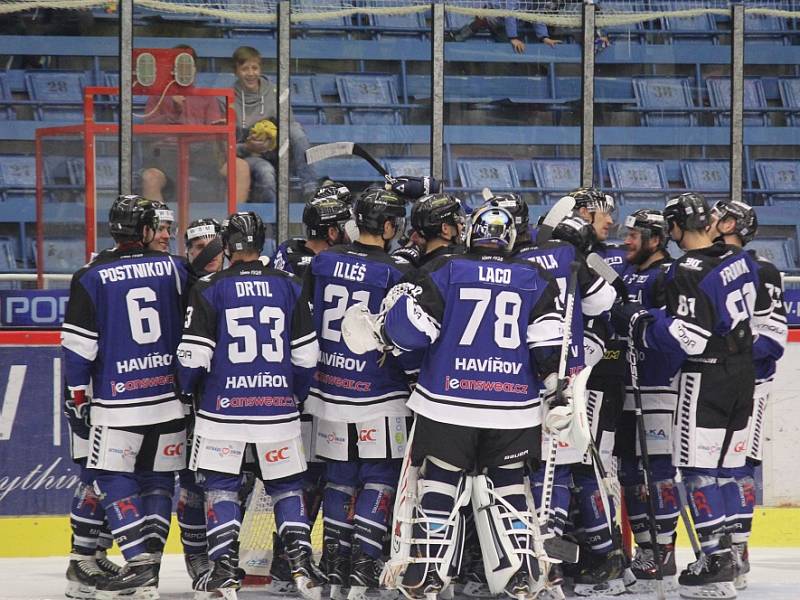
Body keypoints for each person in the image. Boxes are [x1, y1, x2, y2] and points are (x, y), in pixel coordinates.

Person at [348, 203, 567, 600]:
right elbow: (548, 345)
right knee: (509, 486)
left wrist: (383, 330)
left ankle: (429, 571)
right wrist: (557, 391)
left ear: (471, 234)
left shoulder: (446, 269)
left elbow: (413, 332)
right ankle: (519, 571)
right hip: (514, 409)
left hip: (447, 403)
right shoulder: (535, 277)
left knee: (442, 480)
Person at [611, 192, 768, 600]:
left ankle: (713, 565)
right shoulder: (743, 261)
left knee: (698, 471)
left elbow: (689, 337)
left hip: (706, 377)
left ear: (675, 228)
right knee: (728, 469)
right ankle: (730, 560)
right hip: (742, 374)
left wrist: (642, 322)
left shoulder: (687, 269)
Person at [176, 211, 322, 600]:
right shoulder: (289, 284)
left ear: (226, 245)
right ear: (263, 243)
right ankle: (302, 567)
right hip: (276, 410)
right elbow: (307, 356)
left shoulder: (208, 287)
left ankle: (223, 574)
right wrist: (295, 394)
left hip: (222, 412)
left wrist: (188, 392)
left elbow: (192, 357)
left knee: (222, 488)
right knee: (286, 486)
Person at [61, 195, 192, 599]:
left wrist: (77, 396)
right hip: (168, 399)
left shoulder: (91, 274)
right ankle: (136, 567)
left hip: (116, 402)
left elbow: (78, 348)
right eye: (163, 227)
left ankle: (124, 563)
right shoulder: (175, 270)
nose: (169, 235)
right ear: (146, 231)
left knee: (103, 476)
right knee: (156, 480)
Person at [300, 188, 416, 600]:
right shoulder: (396, 272)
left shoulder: (323, 261)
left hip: (327, 392)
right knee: (379, 478)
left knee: (339, 478)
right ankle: (364, 565)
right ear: (386, 226)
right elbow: (406, 338)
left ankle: (334, 563)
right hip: (380, 397)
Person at [508, 196, 617, 600]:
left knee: (532, 471)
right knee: (570, 469)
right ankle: (602, 558)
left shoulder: (516, 260)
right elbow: (606, 302)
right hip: (568, 381)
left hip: (519, 380)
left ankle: (540, 559)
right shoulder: (573, 260)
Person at [268, 185, 352, 594]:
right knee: (314, 476)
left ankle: (287, 564)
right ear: (333, 231)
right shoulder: (335, 263)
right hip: (327, 384)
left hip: (295, 383)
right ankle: (295, 563)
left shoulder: (287, 253)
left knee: (302, 477)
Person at [709, 200, 787, 591]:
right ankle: (719, 548)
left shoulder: (763, 271)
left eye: (720, 218)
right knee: (705, 468)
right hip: (709, 384)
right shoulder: (701, 264)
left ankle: (737, 547)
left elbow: (773, 339)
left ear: (737, 226)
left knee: (737, 466)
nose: (711, 221)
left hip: (751, 385)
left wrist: (730, 355)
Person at [613, 209, 682, 594]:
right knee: (629, 472)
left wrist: (640, 319)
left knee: (655, 470)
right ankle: (645, 549)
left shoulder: (668, 276)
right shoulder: (626, 274)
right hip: (625, 385)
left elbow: (675, 330)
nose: (627, 241)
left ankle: (664, 550)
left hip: (656, 385)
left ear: (655, 239)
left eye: (634, 235)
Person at [140, 45, 251, 204]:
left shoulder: (206, 96)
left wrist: (220, 126)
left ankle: (229, 225)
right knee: (150, 178)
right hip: (168, 155)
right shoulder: (158, 96)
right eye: (179, 65)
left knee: (241, 168)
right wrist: (173, 113)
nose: (183, 70)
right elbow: (148, 130)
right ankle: (160, 228)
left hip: (202, 155)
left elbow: (214, 130)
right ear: (171, 68)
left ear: (194, 69)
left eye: (188, 65)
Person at [231, 45, 317, 203]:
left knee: (296, 130)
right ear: (236, 71)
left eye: (254, 68)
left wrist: (274, 140)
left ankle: (310, 189)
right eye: (245, 69)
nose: (251, 73)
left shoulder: (275, 92)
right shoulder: (227, 98)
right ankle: (273, 225)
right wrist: (248, 147)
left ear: (260, 69)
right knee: (266, 172)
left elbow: (290, 127)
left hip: (279, 152)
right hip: (250, 155)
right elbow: (226, 147)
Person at [272, 182, 352, 276]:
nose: (348, 233)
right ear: (332, 233)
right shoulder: (325, 267)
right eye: (345, 226)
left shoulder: (287, 248)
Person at [448, 1, 561, 51]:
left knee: (509, 46)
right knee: (484, 19)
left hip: (508, 23)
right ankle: (456, 38)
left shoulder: (539, 3)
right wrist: (513, 38)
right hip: (493, 13)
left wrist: (544, 38)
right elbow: (509, 13)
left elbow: (537, 16)